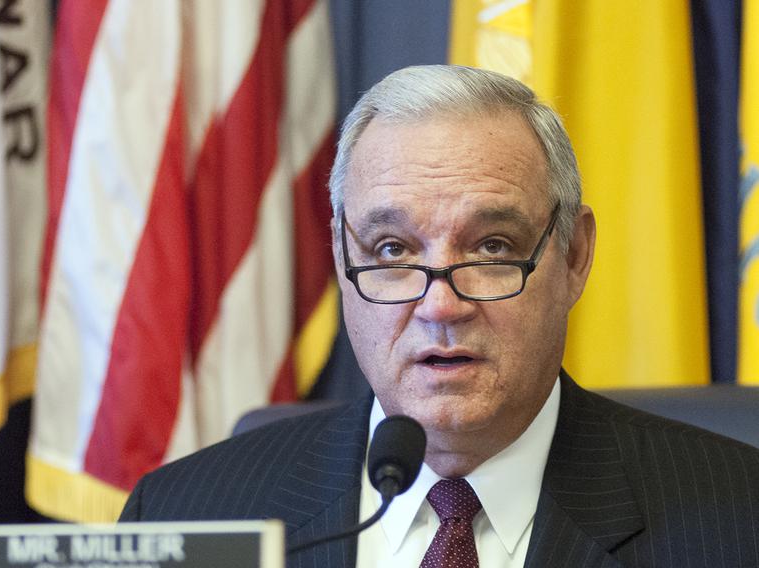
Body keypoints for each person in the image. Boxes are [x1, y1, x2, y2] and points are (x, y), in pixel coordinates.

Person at [120, 65, 759, 567]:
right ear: (342, 262)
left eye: (492, 248)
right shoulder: (183, 516)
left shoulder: (740, 520)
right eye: (392, 250)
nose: (440, 305)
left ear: (574, 257)